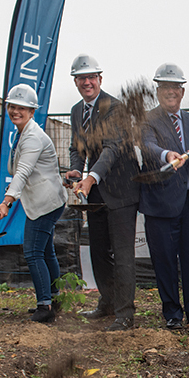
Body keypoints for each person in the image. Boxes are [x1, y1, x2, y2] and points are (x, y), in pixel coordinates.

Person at [139, 63, 189, 330]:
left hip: (188, 202)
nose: (170, 92)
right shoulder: (148, 119)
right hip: (159, 203)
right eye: (164, 88)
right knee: (164, 261)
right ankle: (172, 312)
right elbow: (148, 146)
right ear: (158, 91)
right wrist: (166, 155)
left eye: (175, 87)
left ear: (182, 92)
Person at [66, 54, 140, 332]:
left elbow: (111, 147)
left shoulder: (115, 107)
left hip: (121, 192)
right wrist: (76, 171)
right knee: (98, 252)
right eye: (82, 78)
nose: (87, 82)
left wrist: (91, 177)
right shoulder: (76, 111)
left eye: (91, 77)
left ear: (100, 79)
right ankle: (107, 303)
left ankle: (125, 313)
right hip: (96, 195)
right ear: (76, 82)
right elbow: (77, 148)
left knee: (123, 255)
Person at [0, 84, 67, 323]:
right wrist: (11, 193)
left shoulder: (32, 136)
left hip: (46, 203)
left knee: (33, 252)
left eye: (22, 108)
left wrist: (6, 202)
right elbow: (21, 172)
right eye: (12, 106)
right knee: (45, 251)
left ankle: (44, 307)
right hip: (44, 200)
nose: (15, 111)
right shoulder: (23, 132)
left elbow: (22, 172)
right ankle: (53, 299)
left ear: (32, 111)